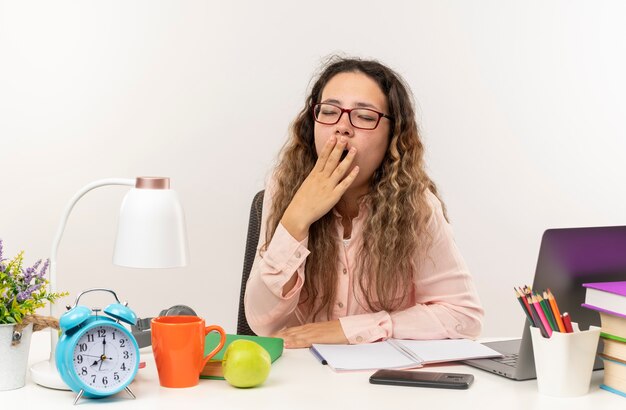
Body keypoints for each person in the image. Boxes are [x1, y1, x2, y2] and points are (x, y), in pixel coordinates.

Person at [244, 56, 483, 348]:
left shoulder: (417, 204)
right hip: (299, 378)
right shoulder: (284, 187)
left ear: (393, 137)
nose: (342, 127)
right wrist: (296, 218)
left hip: (382, 383)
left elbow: (464, 317)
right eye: (329, 112)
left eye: (365, 117)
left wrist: (353, 329)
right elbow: (260, 321)